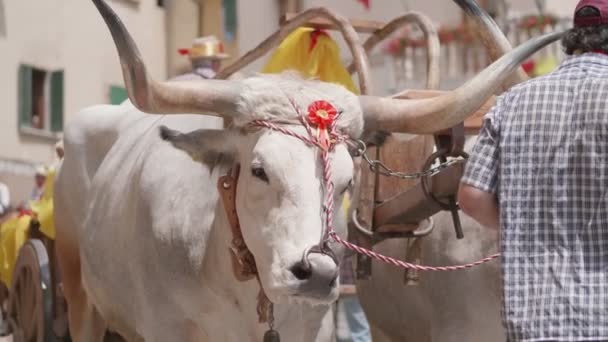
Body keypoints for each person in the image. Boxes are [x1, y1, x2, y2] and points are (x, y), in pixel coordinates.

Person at [458, 1, 608, 340]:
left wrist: (521, 226)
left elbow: (471, 197)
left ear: (576, 37)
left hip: (534, 322)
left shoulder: (513, 101)